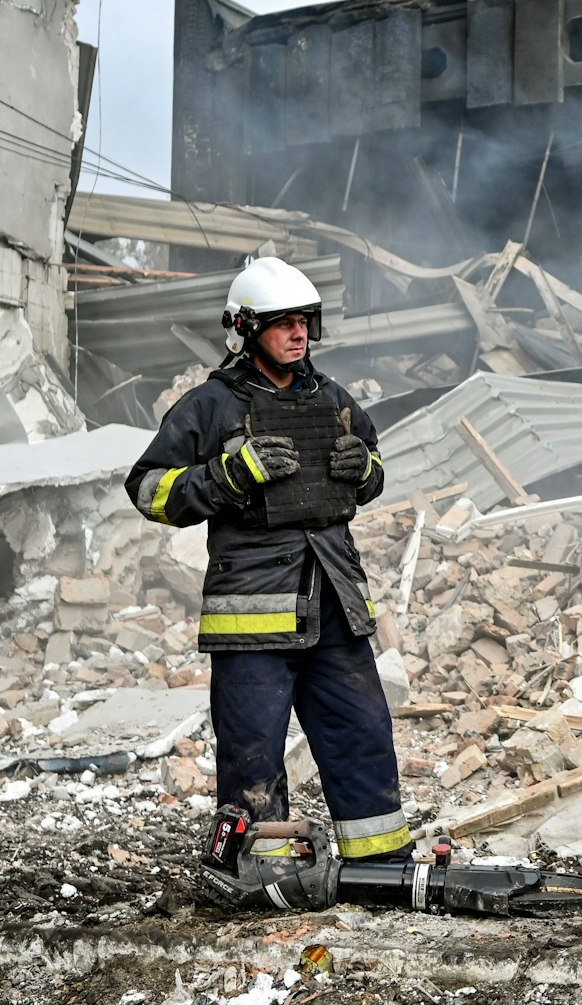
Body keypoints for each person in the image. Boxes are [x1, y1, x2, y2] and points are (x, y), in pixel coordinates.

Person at [125, 256, 413, 872]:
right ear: (246, 329)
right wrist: (228, 476)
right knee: (253, 754)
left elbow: (375, 472)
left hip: (334, 603)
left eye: (306, 321)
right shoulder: (209, 407)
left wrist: (364, 471)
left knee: (361, 733)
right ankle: (267, 872)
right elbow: (147, 489)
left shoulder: (333, 399)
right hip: (252, 619)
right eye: (283, 323)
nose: (299, 333)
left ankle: (380, 863)